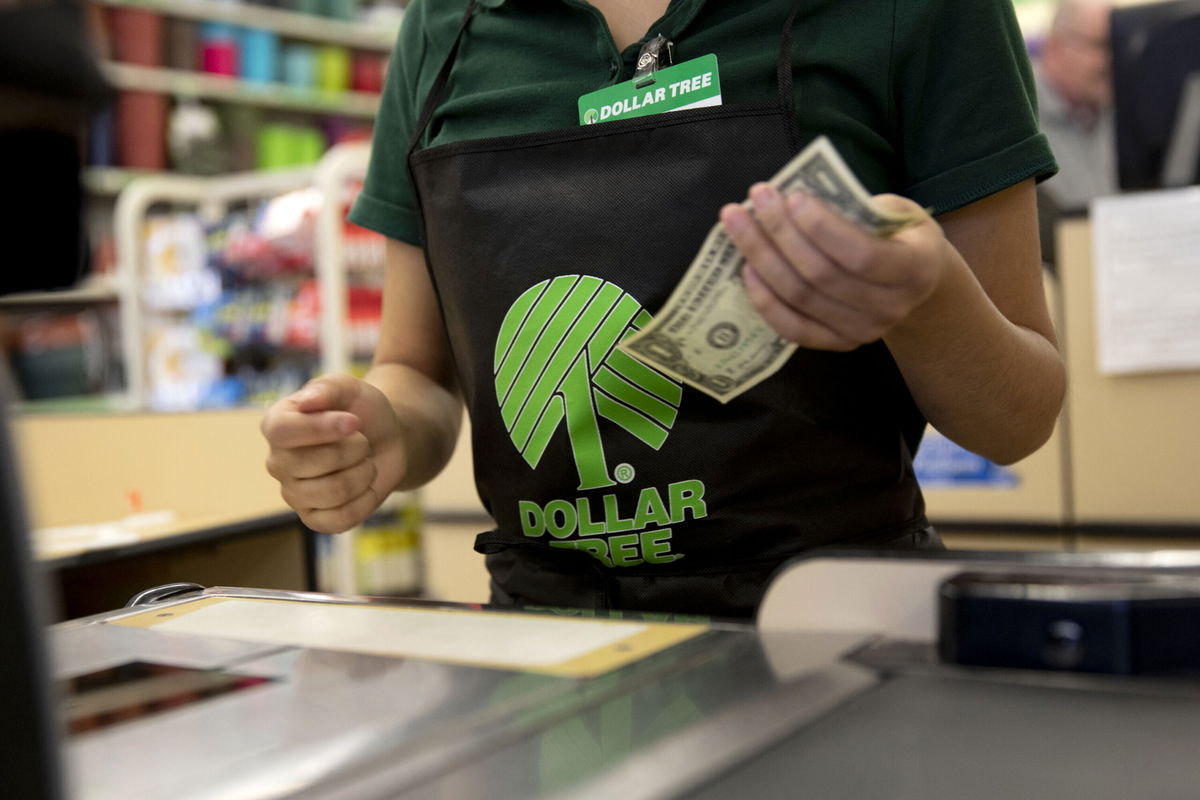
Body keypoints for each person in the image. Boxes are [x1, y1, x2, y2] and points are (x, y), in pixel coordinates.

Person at [262, 0, 1066, 617]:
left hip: (835, 637)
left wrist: (926, 299)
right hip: (549, 654)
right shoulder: (447, 27)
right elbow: (417, 374)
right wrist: (375, 433)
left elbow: (1019, 417)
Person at [1035, 0, 1118, 212]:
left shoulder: (1117, 111)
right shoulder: (1023, 121)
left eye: (1118, 45)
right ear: (1056, 47)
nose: (1112, 60)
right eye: (1101, 44)